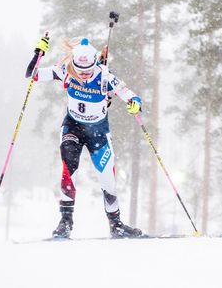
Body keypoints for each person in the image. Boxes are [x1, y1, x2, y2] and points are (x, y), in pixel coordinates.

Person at [25, 36, 144, 239]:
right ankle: (65, 222)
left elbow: (131, 96)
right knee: (68, 169)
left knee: (108, 178)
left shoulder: (105, 77)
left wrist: (134, 104)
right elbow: (33, 75)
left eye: (88, 70)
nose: (84, 75)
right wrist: (39, 53)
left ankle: (116, 225)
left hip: (97, 132)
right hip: (73, 127)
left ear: (95, 63)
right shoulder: (66, 71)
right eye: (80, 71)